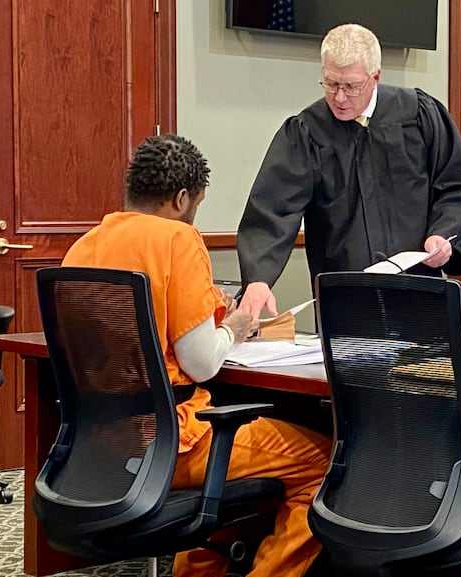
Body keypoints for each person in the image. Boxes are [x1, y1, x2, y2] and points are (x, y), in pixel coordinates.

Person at [62, 134, 331, 577]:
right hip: (175, 442)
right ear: (182, 198)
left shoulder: (86, 246)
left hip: (102, 445)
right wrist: (235, 329)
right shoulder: (177, 239)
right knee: (323, 462)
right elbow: (202, 363)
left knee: (237, 488)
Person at [237, 23, 461, 318]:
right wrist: (258, 278)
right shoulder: (307, 131)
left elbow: (459, 185)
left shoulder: (417, 114)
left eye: (351, 86)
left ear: (375, 77)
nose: (339, 98)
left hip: (418, 289)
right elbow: (273, 209)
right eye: (330, 83)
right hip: (345, 297)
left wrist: (444, 235)